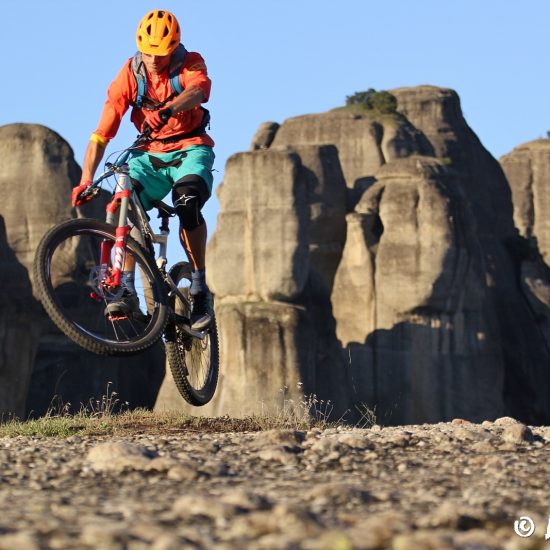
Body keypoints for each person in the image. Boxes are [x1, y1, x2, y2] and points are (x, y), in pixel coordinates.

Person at [72, 9, 215, 331]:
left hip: (191, 147)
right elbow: (101, 135)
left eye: (161, 53)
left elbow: (198, 91)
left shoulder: (189, 62)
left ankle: (199, 286)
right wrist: (85, 179)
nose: (154, 59)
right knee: (123, 203)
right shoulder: (131, 73)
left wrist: (168, 109)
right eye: (149, 52)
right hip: (148, 154)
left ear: (174, 47)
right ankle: (123, 283)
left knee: (188, 202)